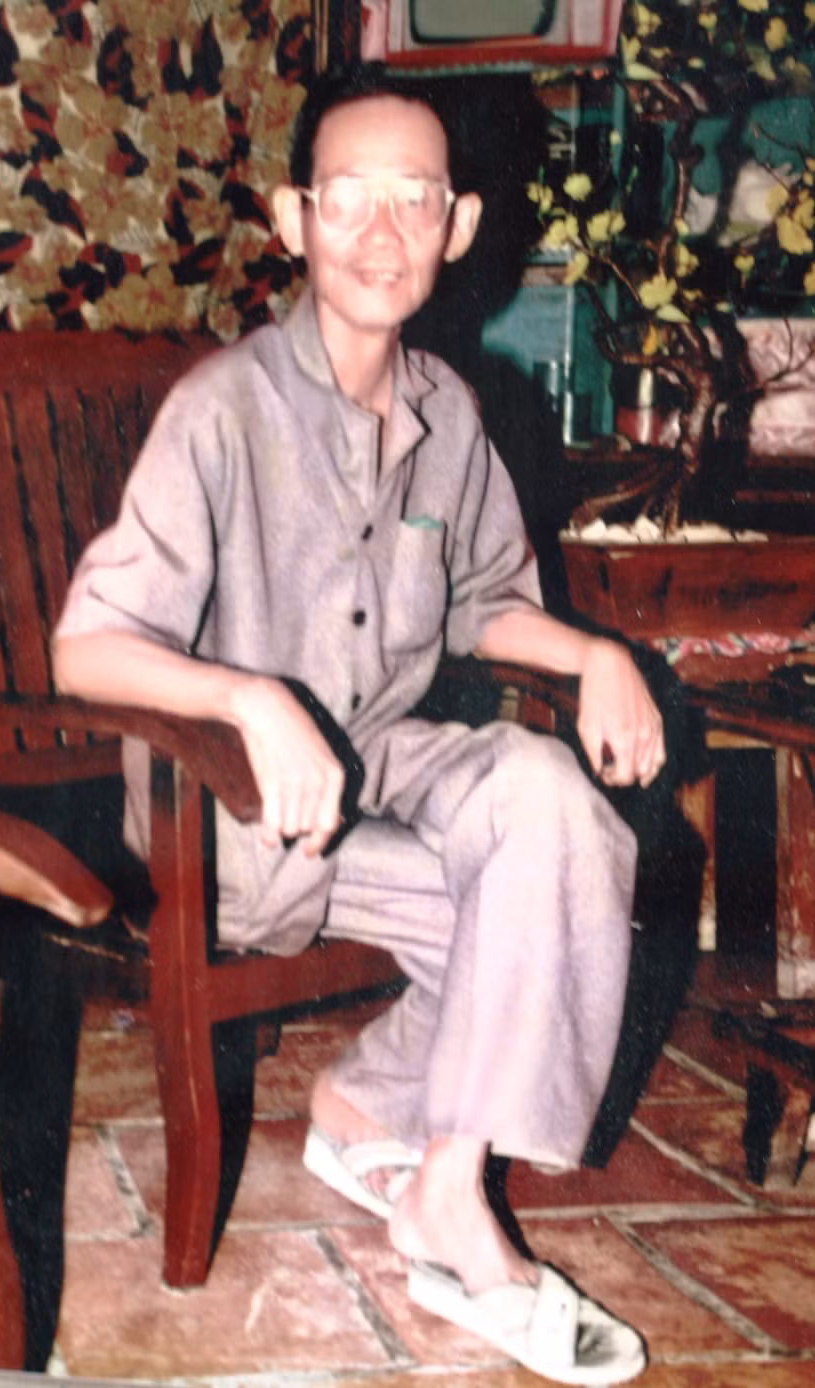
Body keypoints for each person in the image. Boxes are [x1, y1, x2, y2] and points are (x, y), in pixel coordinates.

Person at [53, 62, 664, 1385]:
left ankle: (434, 1172)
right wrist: (246, 696)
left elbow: (486, 603)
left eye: (415, 200)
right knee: (528, 919)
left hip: (375, 767)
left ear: (459, 225)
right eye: (347, 199)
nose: (382, 233)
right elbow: (85, 646)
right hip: (228, 814)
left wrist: (594, 654)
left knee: (553, 821)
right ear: (293, 219)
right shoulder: (224, 409)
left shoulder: (450, 413)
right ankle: (399, 1141)